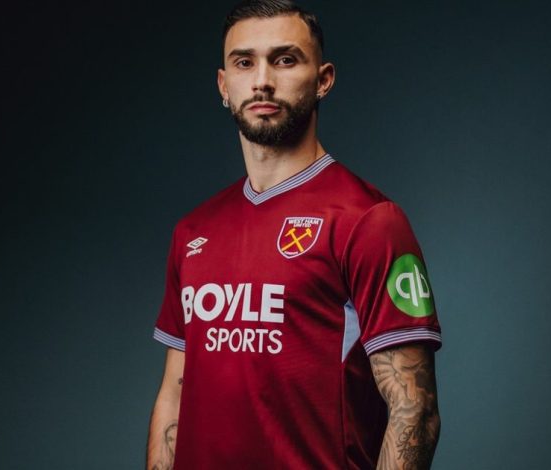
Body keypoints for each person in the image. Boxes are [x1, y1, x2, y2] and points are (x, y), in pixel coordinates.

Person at [147, 1, 442, 468]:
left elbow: (415, 411)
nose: (262, 80)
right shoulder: (194, 231)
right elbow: (174, 393)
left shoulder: (370, 221)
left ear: (323, 79)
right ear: (224, 85)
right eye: (244, 63)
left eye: (285, 60)